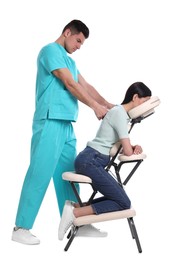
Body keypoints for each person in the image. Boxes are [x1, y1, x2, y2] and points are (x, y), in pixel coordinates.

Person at [12, 19, 115, 245]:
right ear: (67, 32)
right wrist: (95, 108)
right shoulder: (50, 51)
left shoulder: (69, 61)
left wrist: (107, 104)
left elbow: (85, 86)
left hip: (67, 124)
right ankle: (21, 227)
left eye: (82, 43)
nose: (79, 46)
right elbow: (69, 84)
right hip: (50, 121)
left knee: (69, 177)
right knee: (39, 172)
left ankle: (79, 223)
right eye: (78, 40)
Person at [58, 82, 152, 240]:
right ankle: (75, 213)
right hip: (90, 160)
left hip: (92, 159)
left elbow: (118, 145)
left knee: (119, 197)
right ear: (135, 97)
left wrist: (132, 146)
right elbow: (127, 151)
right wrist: (131, 148)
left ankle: (76, 207)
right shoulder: (120, 114)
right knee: (123, 202)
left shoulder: (121, 114)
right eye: (145, 101)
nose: (145, 106)